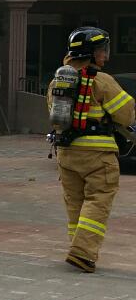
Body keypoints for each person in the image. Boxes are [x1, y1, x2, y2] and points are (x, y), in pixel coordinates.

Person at [53, 27, 134, 272]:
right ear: (91, 53)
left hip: (66, 153)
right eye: (101, 51)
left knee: (75, 203)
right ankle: (82, 253)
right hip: (98, 155)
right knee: (98, 200)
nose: (105, 56)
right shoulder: (102, 80)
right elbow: (126, 115)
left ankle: (77, 247)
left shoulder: (58, 81)